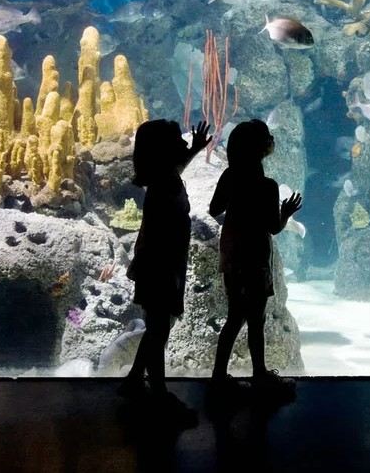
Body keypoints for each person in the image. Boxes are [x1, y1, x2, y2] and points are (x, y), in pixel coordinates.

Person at [120, 119, 211, 411]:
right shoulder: (163, 187)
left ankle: (135, 380)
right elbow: (160, 238)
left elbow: (176, 167)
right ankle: (158, 394)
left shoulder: (165, 179)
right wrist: (168, 275)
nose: (184, 143)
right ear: (162, 151)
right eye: (178, 141)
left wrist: (195, 149)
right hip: (160, 267)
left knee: (158, 327)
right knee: (159, 329)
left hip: (164, 266)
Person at [209, 119, 302, 399]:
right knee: (256, 318)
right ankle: (259, 374)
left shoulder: (229, 176)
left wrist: (235, 225)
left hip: (233, 255)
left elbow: (215, 209)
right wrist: (285, 213)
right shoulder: (267, 186)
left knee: (234, 317)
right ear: (262, 148)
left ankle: (218, 376)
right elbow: (273, 227)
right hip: (257, 259)